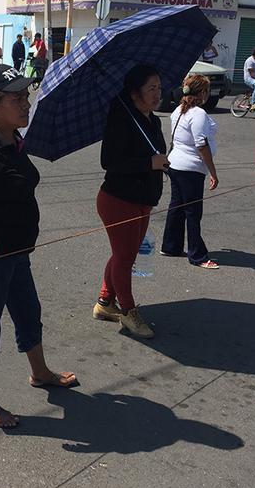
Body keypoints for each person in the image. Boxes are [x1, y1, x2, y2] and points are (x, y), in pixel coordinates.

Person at [0, 64, 77, 429]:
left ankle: (40, 372)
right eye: (18, 98)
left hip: (16, 252)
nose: (27, 104)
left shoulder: (14, 140)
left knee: (28, 311)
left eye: (27, 96)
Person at [92, 65, 169, 338]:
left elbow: (156, 156)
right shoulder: (120, 119)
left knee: (125, 255)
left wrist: (161, 163)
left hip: (143, 198)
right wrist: (149, 162)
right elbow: (110, 162)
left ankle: (105, 302)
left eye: (159, 87)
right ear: (134, 92)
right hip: (118, 199)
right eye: (151, 88)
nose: (157, 93)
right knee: (125, 259)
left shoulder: (153, 120)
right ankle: (128, 311)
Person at [160, 74, 220, 269]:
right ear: (202, 92)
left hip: (175, 164)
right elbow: (201, 145)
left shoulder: (178, 110)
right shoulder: (198, 114)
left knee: (176, 207)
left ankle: (170, 246)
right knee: (193, 212)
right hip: (191, 168)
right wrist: (213, 171)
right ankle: (198, 256)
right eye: (207, 90)